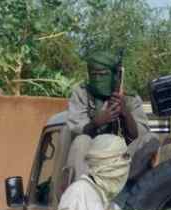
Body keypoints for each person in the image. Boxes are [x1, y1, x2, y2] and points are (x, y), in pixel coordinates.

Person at [66, 51, 160, 183]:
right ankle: (83, 189)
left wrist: (125, 112)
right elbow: (75, 130)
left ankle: (125, 185)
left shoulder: (130, 98)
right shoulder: (81, 94)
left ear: (115, 76)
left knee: (152, 139)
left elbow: (139, 135)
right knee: (81, 140)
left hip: (122, 161)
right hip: (91, 162)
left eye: (103, 74)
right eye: (94, 74)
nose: (98, 78)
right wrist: (97, 122)